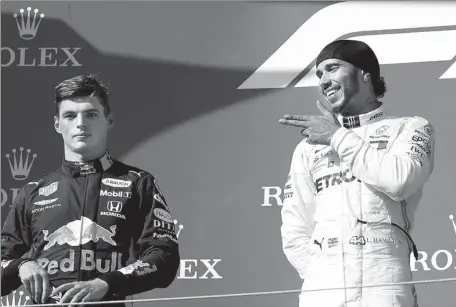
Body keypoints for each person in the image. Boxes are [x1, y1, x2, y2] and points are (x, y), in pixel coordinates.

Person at [278, 40, 435, 307]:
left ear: (365, 75)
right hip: (322, 288)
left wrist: (338, 137)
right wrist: (322, 275)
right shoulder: (307, 147)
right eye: (319, 74)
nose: (323, 81)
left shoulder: (409, 128)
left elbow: (400, 181)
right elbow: (294, 231)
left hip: (384, 279)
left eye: (332, 68)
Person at [1, 74, 180, 306]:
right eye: (70, 115)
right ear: (57, 124)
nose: (80, 123)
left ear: (109, 120)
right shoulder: (34, 191)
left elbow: (164, 258)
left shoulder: (137, 183)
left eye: (91, 114)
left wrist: (107, 283)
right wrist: (21, 266)